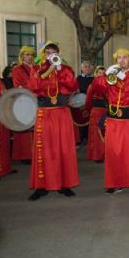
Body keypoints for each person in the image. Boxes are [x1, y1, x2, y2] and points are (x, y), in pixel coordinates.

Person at [26, 42, 79, 200]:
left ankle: (65, 184)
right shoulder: (36, 69)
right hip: (45, 111)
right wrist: (49, 69)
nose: (50, 54)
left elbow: (72, 86)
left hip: (62, 112)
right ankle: (41, 186)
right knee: (44, 149)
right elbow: (34, 86)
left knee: (64, 148)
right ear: (43, 54)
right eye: (47, 52)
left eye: (53, 52)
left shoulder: (65, 69)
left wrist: (59, 70)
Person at [92, 48, 129, 195]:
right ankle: (113, 183)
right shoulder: (112, 74)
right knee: (113, 153)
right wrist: (106, 74)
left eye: (125, 58)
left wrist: (123, 77)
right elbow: (96, 88)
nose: (121, 60)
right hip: (113, 120)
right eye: (119, 58)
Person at [12, 46, 36, 163]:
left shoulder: (37, 68)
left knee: (35, 127)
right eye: (27, 54)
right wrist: (33, 88)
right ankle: (26, 155)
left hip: (35, 100)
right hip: (24, 100)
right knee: (26, 128)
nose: (30, 57)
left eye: (31, 54)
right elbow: (18, 86)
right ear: (22, 56)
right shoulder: (17, 69)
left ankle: (36, 152)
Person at [85, 66, 107, 162]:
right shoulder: (91, 86)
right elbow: (88, 102)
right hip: (96, 111)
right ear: (96, 74)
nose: (101, 74)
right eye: (99, 73)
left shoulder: (109, 85)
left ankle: (107, 155)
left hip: (107, 111)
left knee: (107, 133)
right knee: (97, 134)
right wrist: (91, 111)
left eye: (103, 73)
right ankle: (97, 156)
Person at [75, 60, 94, 143]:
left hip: (91, 102)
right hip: (80, 103)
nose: (87, 68)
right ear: (82, 68)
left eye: (89, 67)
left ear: (92, 69)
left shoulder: (94, 78)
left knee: (89, 119)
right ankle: (81, 137)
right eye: (85, 67)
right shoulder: (78, 78)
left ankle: (89, 137)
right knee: (80, 119)